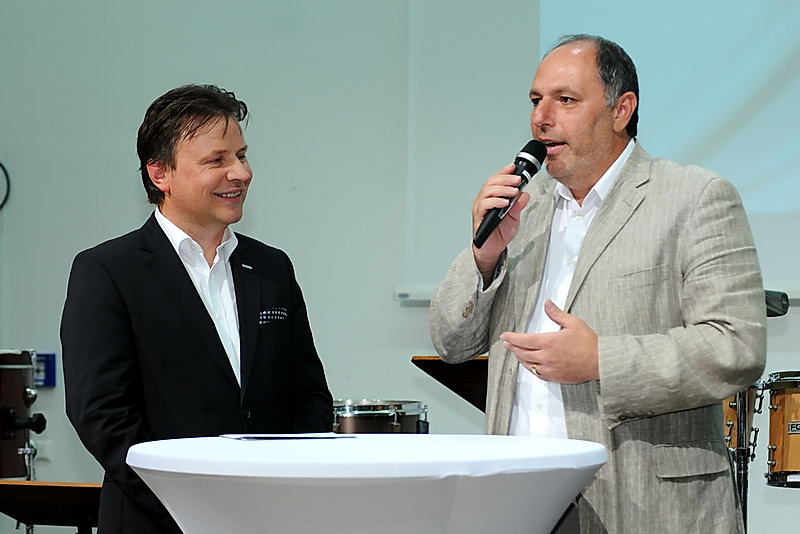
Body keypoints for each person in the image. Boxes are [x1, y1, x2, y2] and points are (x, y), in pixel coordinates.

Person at [429, 35, 766, 533]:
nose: (541, 118)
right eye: (535, 100)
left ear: (620, 110)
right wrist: (484, 256)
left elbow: (736, 347)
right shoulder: (524, 208)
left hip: (645, 504)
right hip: (520, 500)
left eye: (565, 100)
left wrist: (600, 361)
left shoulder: (693, 197)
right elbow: (450, 343)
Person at [61, 84, 333, 533]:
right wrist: (197, 502)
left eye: (241, 156)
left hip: (271, 516)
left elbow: (309, 397)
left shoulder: (271, 267)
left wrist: (287, 490)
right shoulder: (108, 270)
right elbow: (102, 415)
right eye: (216, 160)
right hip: (158, 520)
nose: (240, 173)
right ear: (159, 173)